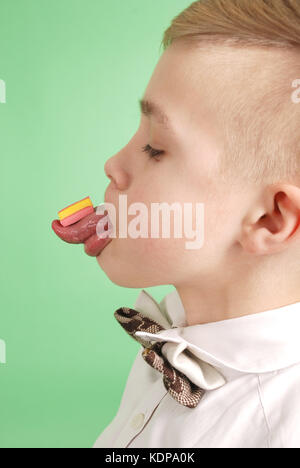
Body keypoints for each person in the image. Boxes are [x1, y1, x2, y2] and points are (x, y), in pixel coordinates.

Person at [92, 0, 300, 448]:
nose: (113, 165)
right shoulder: (178, 340)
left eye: (155, 149)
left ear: (270, 218)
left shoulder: (283, 427)